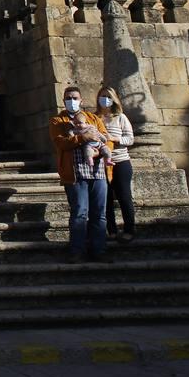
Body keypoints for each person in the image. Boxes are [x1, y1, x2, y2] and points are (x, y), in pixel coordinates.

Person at [49, 86, 113, 263]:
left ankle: (99, 250)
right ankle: (77, 251)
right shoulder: (57, 121)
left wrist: (98, 152)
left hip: (98, 172)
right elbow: (61, 143)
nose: (72, 101)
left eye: (75, 97)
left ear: (81, 100)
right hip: (75, 173)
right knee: (79, 213)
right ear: (63, 101)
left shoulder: (93, 118)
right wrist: (84, 138)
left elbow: (105, 139)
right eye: (68, 98)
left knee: (99, 213)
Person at [98, 87, 136, 242]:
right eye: (102, 96)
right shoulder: (95, 118)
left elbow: (130, 139)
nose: (105, 99)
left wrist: (114, 138)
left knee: (124, 196)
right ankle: (111, 230)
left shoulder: (120, 117)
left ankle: (129, 229)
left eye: (108, 96)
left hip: (120, 161)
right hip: (100, 163)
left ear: (113, 99)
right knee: (105, 199)